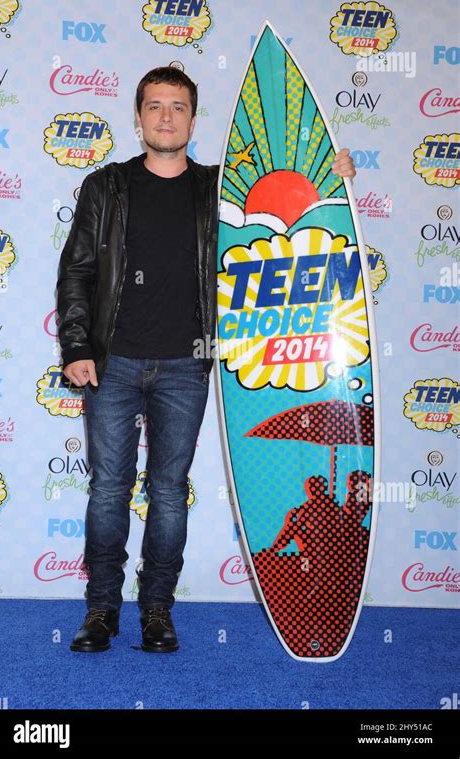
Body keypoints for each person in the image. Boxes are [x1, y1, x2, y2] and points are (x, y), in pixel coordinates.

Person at [56, 66, 356, 654]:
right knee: (109, 490)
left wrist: (332, 181)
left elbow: (284, 213)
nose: (166, 116)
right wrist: (76, 346)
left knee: (168, 490)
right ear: (138, 116)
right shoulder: (106, 186)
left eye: (178, 107)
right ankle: (101, 611)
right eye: (155, 106)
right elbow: (78, 271)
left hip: (187, 365)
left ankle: (157, 611)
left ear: (194, 119)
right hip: (111, 363)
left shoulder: (218, 190)